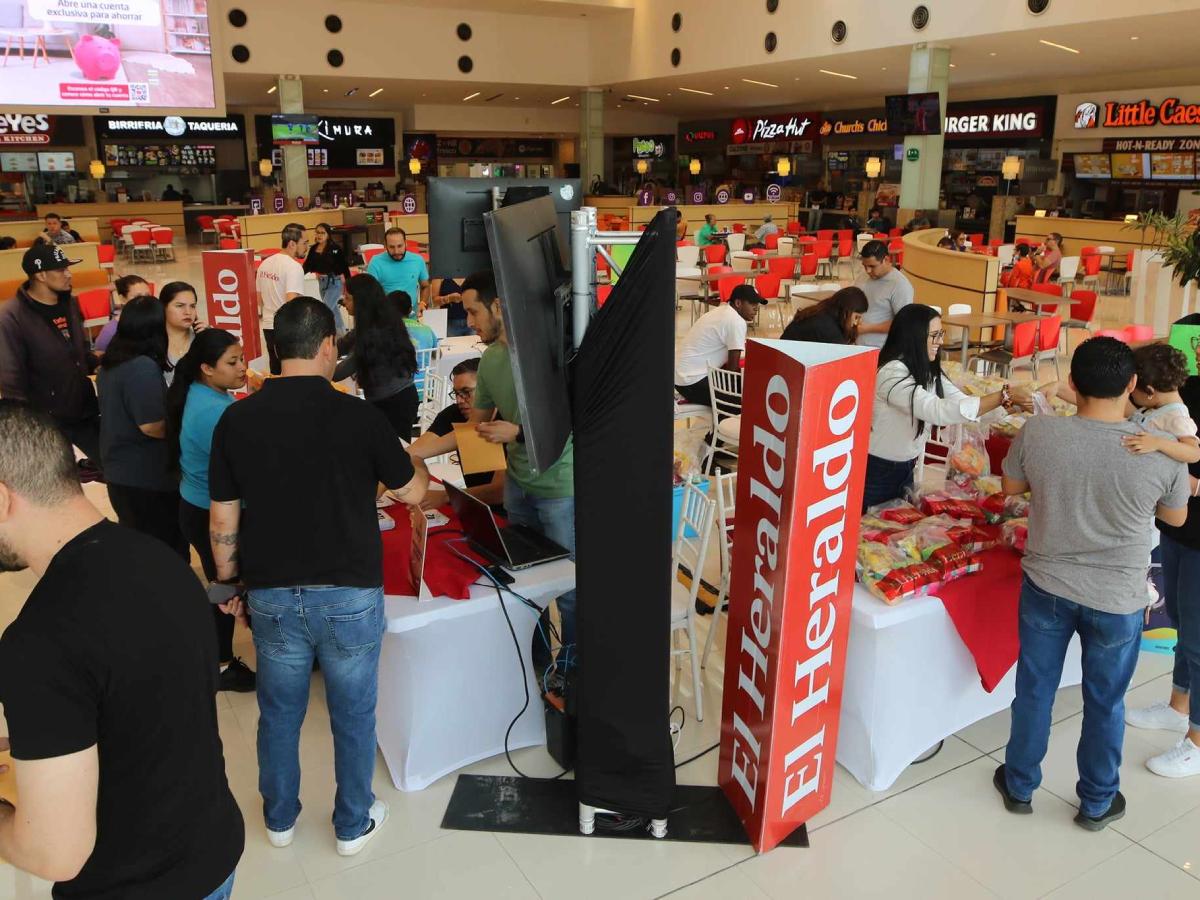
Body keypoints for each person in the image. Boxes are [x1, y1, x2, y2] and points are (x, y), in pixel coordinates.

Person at [208, 298, 428, 856]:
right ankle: (352, 823)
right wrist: (415, 462)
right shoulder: (360, 417)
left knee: (279, 713)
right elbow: (412, 492)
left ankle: (280, 819)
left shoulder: (236, 418)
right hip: (349, 589)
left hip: (272, 592)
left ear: (277, 350)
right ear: (329, 346)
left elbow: (223, 517)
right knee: (353, 713)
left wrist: (230, 583)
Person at [0, 401, 245, 899]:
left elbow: (57, 853)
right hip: (212, 850)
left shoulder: (39, 640)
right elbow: (140, 706)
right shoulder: (159, 558)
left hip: (135, 885)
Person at [995, 337, 1190, 830]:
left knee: (1035, 689)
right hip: (1118, 598)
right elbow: (1176, 518)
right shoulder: (1161, 453)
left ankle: (1019, 785)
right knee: (1106, 701)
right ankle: (1099, 801)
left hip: (1047, 586)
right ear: (1131, 384)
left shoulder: (1039, 433)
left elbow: (1012, 487)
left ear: (1073, 383)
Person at [407, 271, 577, 676]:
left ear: (499, 307)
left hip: (560, 490)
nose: (469, 321)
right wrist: (407, 454)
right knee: (522, 585)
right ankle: (536, 666)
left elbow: (573, 420)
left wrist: (516, 432)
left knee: (568, 591)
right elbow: (470, 430)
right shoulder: (492, 361)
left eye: (473, 311)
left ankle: (570, 673)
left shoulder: (549, 354)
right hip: (519, 488)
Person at [1126, 318, 1200, 778]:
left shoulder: (1176, 410)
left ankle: (1195, 738)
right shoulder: (1182, 390)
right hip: (1177, 529)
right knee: (1182, 625)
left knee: (1198, 637)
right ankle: (1178, 705)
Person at [167, 329, 257, 693]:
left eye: (242, 359)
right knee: (227, 587)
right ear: (206, 367)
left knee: (225, 585)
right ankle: (220, 663)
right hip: (213, 515)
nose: (242, 368)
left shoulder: (198, 392)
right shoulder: (217, 412)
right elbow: (249, 470)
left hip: (195, 505)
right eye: (232, 362)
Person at [863, 304, 1016, 510]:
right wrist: (1002, 396)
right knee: (867, 529)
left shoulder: (926, 369)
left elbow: (960, 402)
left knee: (888, 530)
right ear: (915, 337)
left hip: (906, 466)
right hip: (878, 469)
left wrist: (1010, 404)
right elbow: (937, 411)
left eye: (940, 334)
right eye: (934, 335)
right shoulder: (891, 373)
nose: (941, 341)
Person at [97, 296, 189, 558]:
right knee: (166, 549)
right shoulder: (141, 367)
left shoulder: (109, 365)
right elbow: (151, 425)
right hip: (147, 478)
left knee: (141, 548)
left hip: (120, 473)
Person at [0, 244, 101, 464]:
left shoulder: (70, 303)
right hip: (46, 419)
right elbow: (11, 380)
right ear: (40, 275)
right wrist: (28, 428)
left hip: (83, 407)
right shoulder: (11, 317)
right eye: (61, 269)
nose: (68, 274)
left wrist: (97, 362)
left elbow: (80, 349)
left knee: (106, 464)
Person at [409, 357, 506, 511]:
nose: (460, 400)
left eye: (466, 392)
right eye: (456, 393)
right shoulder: (454, 414)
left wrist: (445, 496)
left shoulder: (507, 420)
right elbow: (414, 451)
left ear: (487, 389)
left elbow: (500, 491)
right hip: (473, 507)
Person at [334, 275, 421, 440]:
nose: (344, 302)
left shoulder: (375, 331)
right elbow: (343, 344)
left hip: (395, 402)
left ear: (361, 301)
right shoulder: (375, 321)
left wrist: (317, 367)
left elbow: (341, 371)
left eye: (348, 298)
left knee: (394, 453)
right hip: (390, 398)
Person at [673, 283, 766, 406]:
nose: (756, 308)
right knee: (749, 400)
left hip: (680, 377)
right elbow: (732, 370)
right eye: (752, 304)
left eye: (757, 304)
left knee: (745, 387)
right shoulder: (736, 321)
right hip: (692, 381)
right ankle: (721, 422)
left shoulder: (721, 311)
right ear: (738, 303)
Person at [256, 223, 308, 375]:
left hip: (268, 326)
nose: (307, 247)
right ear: (292, 244)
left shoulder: (264, 264)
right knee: (292, 373)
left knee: (276, 371)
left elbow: (259, 299)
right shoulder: (294, 267)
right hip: (286, 328)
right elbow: (292, 301)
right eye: (304, 243)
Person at [855, 239, 914, 349]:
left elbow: (903, 322)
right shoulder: (863, 277)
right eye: (864, 266)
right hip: (858, 345)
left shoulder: (900, 285)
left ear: (886, 260)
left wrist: (866, 328)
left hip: (882, 349)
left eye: (872, 266)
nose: (867, 270)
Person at [303, 222, 350, 335]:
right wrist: (297, 275)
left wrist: (349, 285)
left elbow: (344, 267)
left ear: (328, 234)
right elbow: (307, 265)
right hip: (322, 283)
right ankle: (342, 334)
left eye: (322, 233)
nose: (319, 235)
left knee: (325, 308)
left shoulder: (335, 249)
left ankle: (318, 334)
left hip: (335, 283)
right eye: (317, 232)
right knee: (333, 310)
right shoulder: (313, 248)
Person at [366, 227, 429, 308]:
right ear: (385, 246)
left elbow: (425, 286)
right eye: (392, 247)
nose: (396, 251)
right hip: (386, 317)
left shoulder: (417, 260)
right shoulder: (375, 262)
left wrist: (422, 304)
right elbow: (369, 294)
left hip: (412, 317)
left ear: (405, 243)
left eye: (400, 246)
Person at [781, 286, 868, 345]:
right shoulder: (828, 328)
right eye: (856, 317)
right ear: (846, 311)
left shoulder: (824, 312)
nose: (858, 323)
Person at [160, 280, 206, 386]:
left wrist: (210, 341)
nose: (188, 312)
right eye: (180, 306)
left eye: (192, 306)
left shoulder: (202, 337)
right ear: (163, 307)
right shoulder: (152, 342)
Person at [393, 289, 438, 393]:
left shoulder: (387, 331)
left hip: (400, 392)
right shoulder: (427, 329)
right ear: (410, 310)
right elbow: (437, 354)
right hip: (427, 390)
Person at [94, 273, 150, 353]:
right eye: (137, 297)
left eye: (147, 295)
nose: (145, 301)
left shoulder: (156, 319)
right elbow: (99, 354)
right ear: (122, 299)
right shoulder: (111, 330)